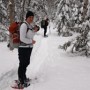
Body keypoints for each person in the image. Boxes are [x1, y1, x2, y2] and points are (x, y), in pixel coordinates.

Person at [17, 11, 39, 89]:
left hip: (29, 48)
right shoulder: (24, 25)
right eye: (30, 17)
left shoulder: (29, 25)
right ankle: (20, 81)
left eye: (32, 17)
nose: (31, 19)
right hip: (23, 48)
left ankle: (24, 77)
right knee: (22, 64)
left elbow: (30, 36)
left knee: (26, 63)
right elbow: (22, 38)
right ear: (26, 17)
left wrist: (34, 31)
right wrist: (31, 41)